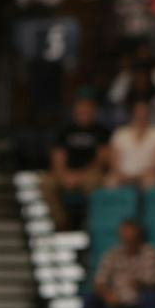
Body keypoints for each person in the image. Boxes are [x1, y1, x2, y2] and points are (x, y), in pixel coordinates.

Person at [78, 218, 155, 308]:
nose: (128, 238)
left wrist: (135, 286)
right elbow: (99, 281)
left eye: (131, 234)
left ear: (139, 235)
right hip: (113, 301)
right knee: (89, 300)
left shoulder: (149, 252)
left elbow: (152, 281)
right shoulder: (112, 254)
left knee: (152, 297)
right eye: (125, 234)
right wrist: (108, 294)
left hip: (138, 301)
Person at [42, 94, 108, 227]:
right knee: (46, 183)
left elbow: (102, 159)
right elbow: (58, 156)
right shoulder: (65, 130)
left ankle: (89, 223)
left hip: (90, 173)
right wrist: (65, 175)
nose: (84, 114)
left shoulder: (101, 131)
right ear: (74, 112)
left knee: (93, 184)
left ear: (94, 112)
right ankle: (62, 223)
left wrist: (80, 175)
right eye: (81, 111)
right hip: (67, 172)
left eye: (87, 111)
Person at [104, 98, 155, 190]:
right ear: (132, 113)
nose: (141, 114)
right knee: (110, 181)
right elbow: (114, 161)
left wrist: (142, 175)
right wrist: (122, 175)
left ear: (149, 112)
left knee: (150, 181)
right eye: (138, 111)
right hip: (123, 174)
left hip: (150, 174)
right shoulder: (120, 134)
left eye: (144, 111)